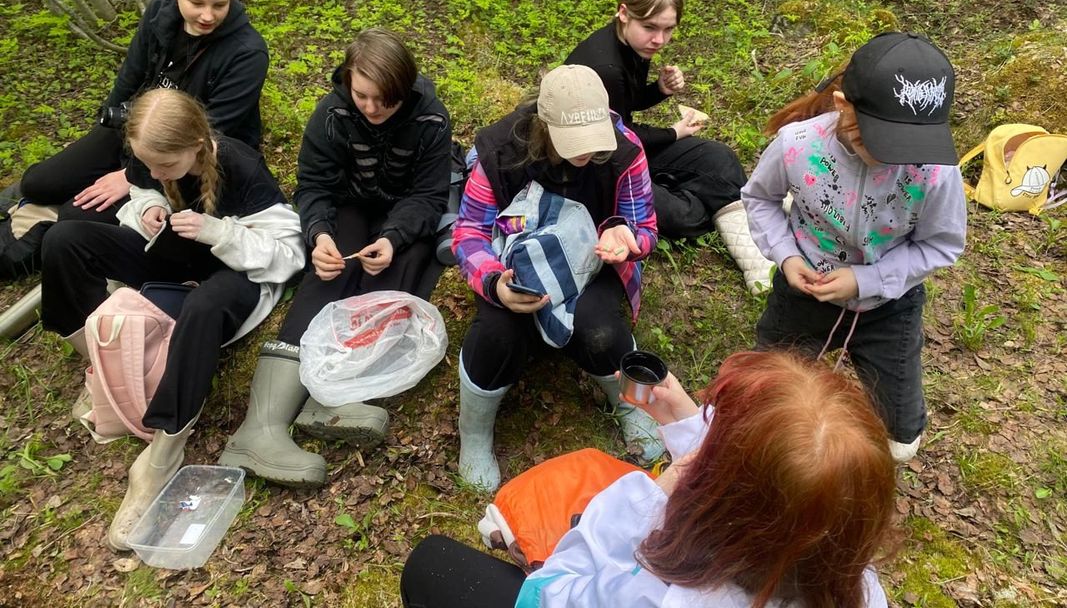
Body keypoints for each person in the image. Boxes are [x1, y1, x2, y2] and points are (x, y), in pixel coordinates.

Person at [400, 350, 898, 608]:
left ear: (716, 504)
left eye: (717, 437)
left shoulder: (657, 594)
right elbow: (776, 481)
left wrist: (646, 496)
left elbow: (556, 587)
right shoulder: (855, 583)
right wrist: (686, 423)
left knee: (431, 563)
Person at [39, 89, 304, 551]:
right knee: (64, 241)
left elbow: (289, 255)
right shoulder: (152, 161)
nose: (157, 173)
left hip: (237, 267)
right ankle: (102, 368)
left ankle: (161, 453)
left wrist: (217, 232)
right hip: (174, 254)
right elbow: (141, 186)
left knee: (204, 308)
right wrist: (147, 207)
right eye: (149, 163)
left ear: (197, 145)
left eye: (165, 165)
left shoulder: (241, 167)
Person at [220, 29, 452, 488]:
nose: (372, 108)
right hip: (346, 206)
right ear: (347, 80)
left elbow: (429, 196)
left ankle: (334, 395)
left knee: (403, 267)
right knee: (329, 273)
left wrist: (393, 237)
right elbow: (314, 186)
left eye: (385, 100)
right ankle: (259, 429)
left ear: (405, 89)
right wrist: (319, 235)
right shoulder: (331, 114)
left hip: (403, 210)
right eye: (361, 95)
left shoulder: (431, 119)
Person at [741, 31, 967, 463]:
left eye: (907, 147)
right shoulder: (797, 145)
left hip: (888, 306)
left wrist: (867, 280)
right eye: (874, 142)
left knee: (900, 442)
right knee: (760, 399)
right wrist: (787, 257)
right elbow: (760, 199)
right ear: (843, 106)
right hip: (804, 291)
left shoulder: (935, 170)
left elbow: (942, 244)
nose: (891, 158)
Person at [452, 64, 659, 493]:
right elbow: (470, 231)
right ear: (543, 126)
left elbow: (645, 225)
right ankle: (474, 432)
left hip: (591, 266)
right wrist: (494, 283)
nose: (587, 153)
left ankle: (629, 404)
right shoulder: (498, 151)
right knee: (497, 335)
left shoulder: (624, 150)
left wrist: (627, 237)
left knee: (601, 331)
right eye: (574, 143)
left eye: (594, 140)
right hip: (517, 264)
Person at [19, 0, 268, 226]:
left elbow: (215, 130)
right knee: (37, 184)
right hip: (139, 125)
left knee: (73, 215)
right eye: (197, 3)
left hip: (188, 157)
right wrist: (103, 130)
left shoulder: (247, 53)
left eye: (220, 4)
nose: (208, 15)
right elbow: (130, 77)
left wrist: (131, 176)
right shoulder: (159, 14)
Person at [564, 0, 773, 294]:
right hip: (593, 162)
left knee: (719, 158)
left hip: (620, 145)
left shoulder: (633, 44)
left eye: (668, 29)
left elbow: (624, 103)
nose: (659, 39)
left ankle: (741, 223)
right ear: (623, 12)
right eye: (650, 27)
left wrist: (659, 89)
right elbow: (620, 139)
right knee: (682, 216)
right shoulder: (606, 66)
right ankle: (726, 208)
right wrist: (673, 133)